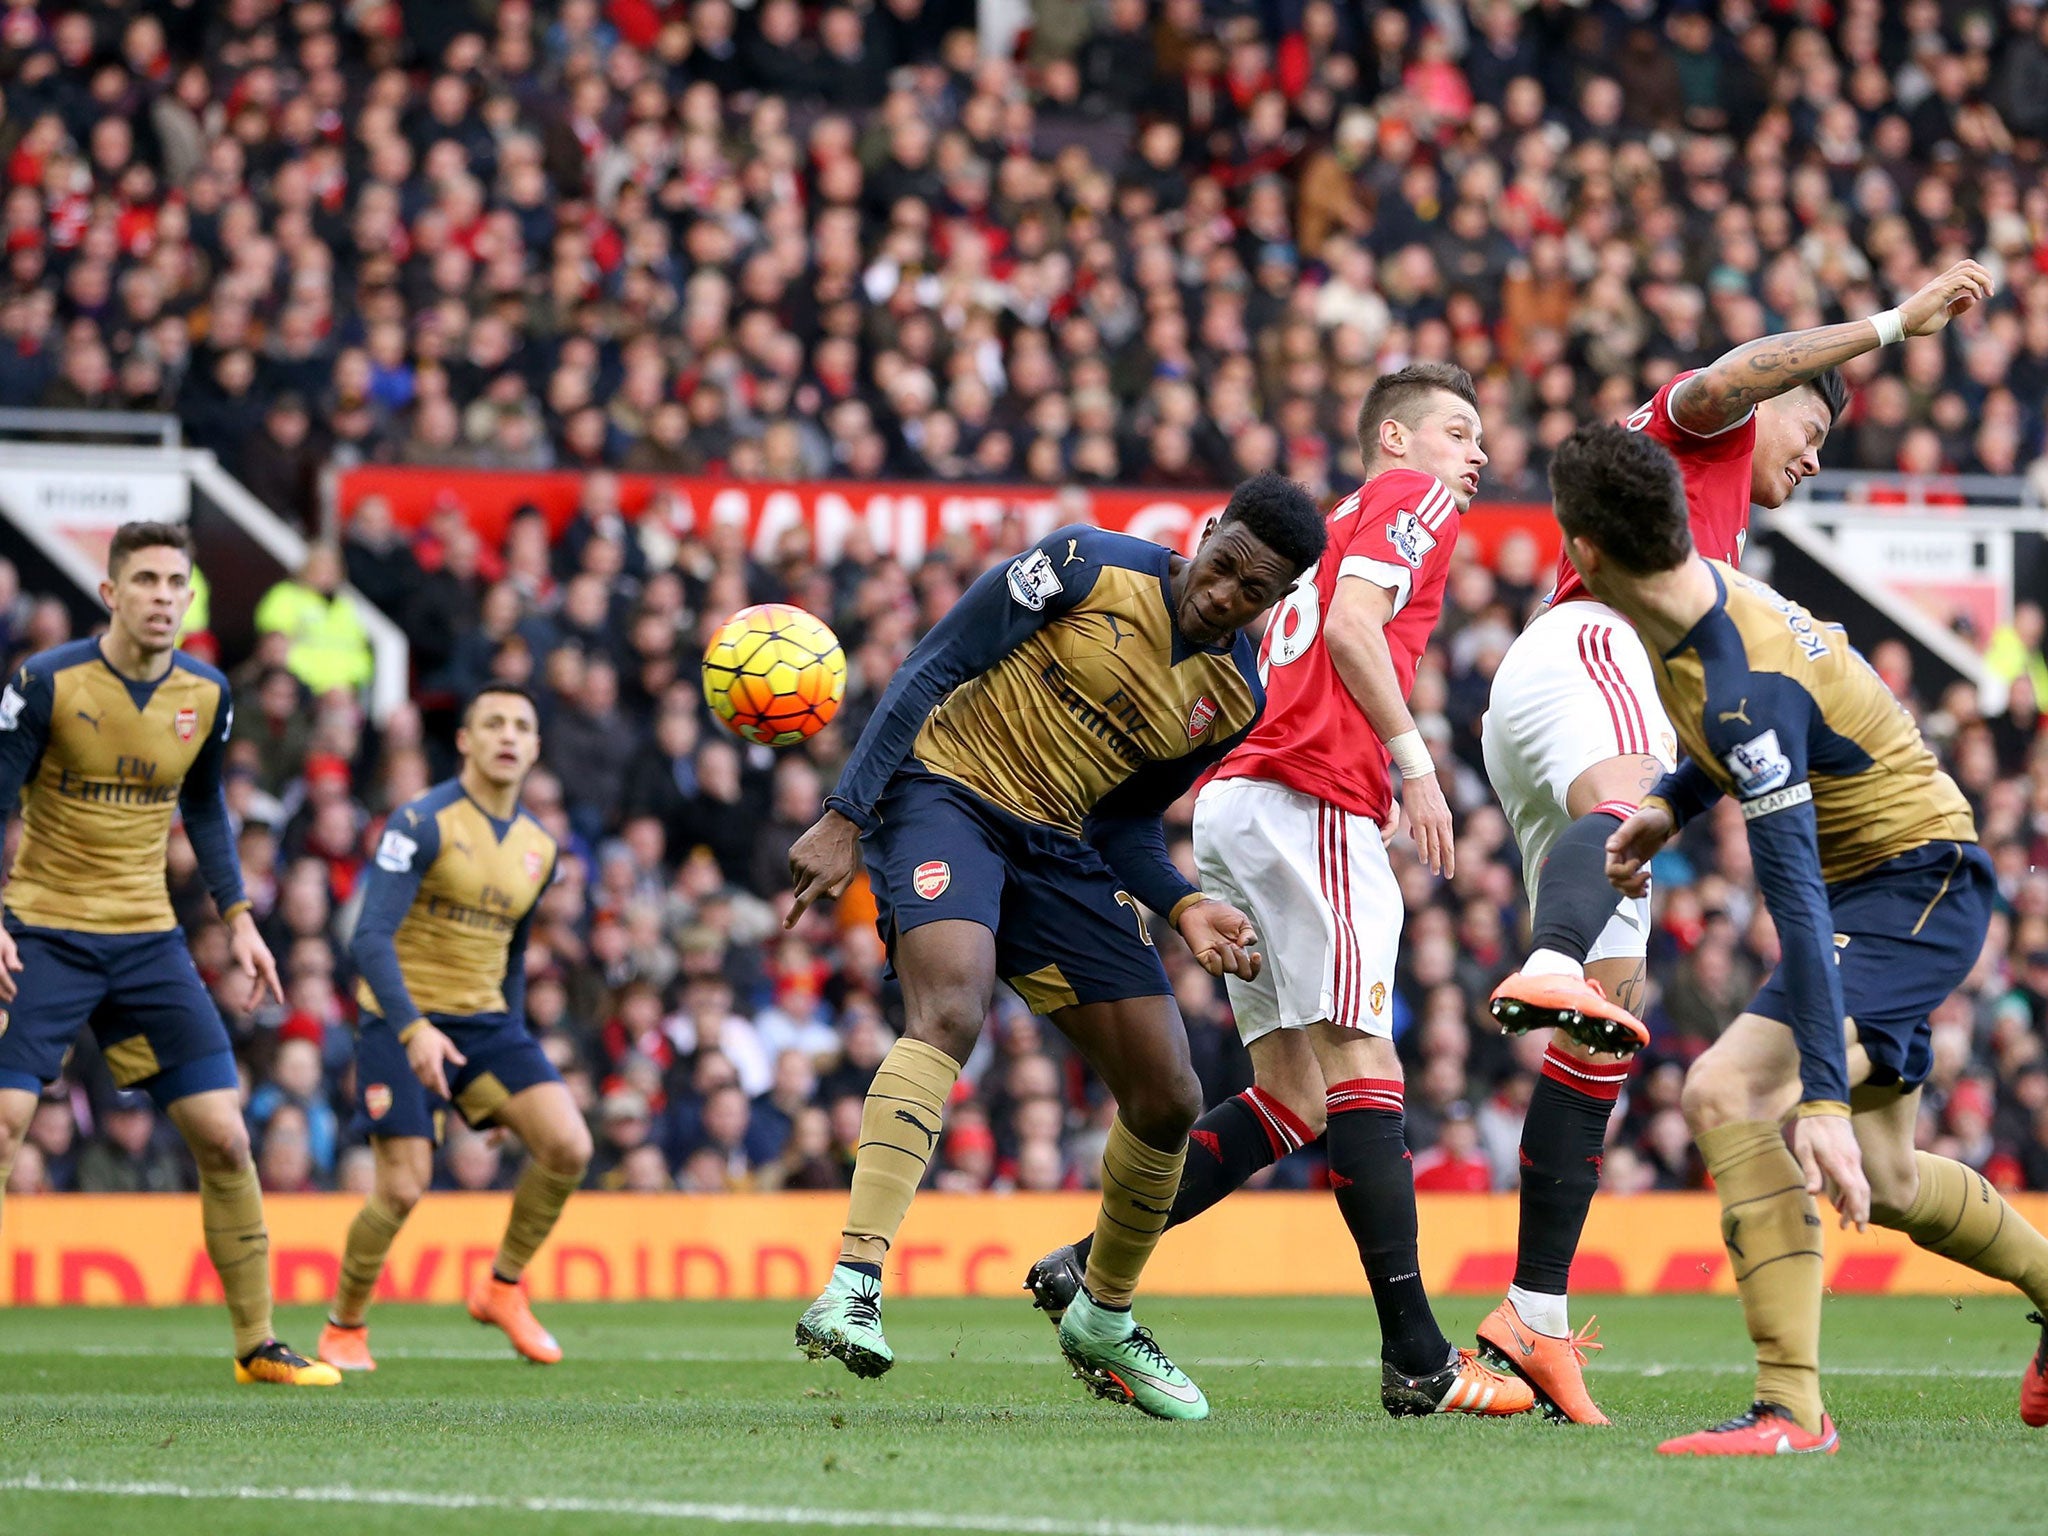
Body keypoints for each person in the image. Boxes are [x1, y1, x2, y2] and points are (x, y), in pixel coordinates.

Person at [1474, 258, 1996, 1422]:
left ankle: (1534, 1315)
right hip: (1589, 654)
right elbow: (1733, 376)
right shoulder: (1692, 459)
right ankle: (1787, 1405)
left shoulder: (1705, 580)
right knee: (1688, 1047)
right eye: (1809, 426)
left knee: (1611, 1028)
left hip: (1548, 693)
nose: (1811, 457)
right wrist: (1885, 329)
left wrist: (1677, 800)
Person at [1024, 365, 1530, 1418]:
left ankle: (1088, 1261)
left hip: (1242, 798)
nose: (1472, 453)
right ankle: (1418, 1358)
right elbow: (1352, 630)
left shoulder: (1335, 520)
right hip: (1311, 797)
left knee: (1294, 1095)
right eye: (1454, 430)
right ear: (1391, 437)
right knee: (1363, 1058)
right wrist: (1416, 765)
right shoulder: (1410, 497)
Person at [784, 475, 1328, 1420]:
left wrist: (1184, 904)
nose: (1226, 592)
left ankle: (1102, 1315)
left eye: (1254, 588)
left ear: (1275, 601)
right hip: (942, 792)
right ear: (1206, 533)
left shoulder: (1234, 695)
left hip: (1057, 844)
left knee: (1168, 1096)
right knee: (951, 1007)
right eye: (1226, 563)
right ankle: (853, 1287)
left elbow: (1122, 829)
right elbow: (933, 663)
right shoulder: (1085, 563)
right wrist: (845, 812)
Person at [1554, 422, 2048, 1454]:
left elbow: (1793, 898)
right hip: (1905, 886)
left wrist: (1816, 1094)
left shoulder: (1736, 685)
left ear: (1580, 552)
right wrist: (1673, 801)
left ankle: (1788, 1411)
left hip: (1905, 892)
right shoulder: (1701, 600)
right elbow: (1774, 728)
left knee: (1726, 1090)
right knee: (1896, 1178)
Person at [0, 520, 335, 1386]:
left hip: (147, 940)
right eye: (143, 580)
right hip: (42, 929)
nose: (161, 596)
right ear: (110, 594)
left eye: (174, 583)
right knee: (4, 1124)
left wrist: (242, 917)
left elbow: (207, 813)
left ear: (191, 598)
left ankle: (258, 1344)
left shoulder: (209, 694)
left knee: (225, 1136)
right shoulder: (46, 682)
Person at [319, 683, 589, 1371]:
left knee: (567, 1145)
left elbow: (515, 955)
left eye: (521, 725)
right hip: (399, 1013)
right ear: (465, 740)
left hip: (486, 1023)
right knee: (404, 1186)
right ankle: (343, 1325)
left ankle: (501, 1288)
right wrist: (412, 1029)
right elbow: (370, 939)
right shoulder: (421, 821)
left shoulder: (539, 847)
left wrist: (509, 1073)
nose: (507, 734)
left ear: (534, 747)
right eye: (491, 721)